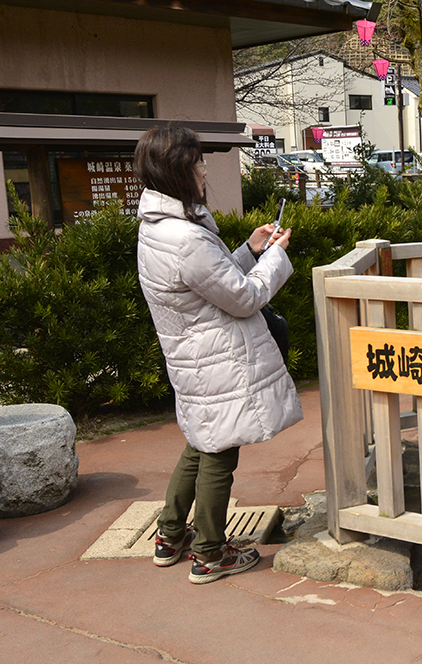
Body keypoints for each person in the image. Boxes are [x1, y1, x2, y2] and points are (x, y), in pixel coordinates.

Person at [134, 126, 302, 585]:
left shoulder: (159, 228)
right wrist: (274, 257)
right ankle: (210, 553)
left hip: (194, 358)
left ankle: (170, 535)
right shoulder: (186, 238)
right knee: (219, 453)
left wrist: (249, 250)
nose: (204, 169)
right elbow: (244, 299)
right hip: (217, 360)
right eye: (198, 162)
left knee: (199, 442)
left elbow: (211, 284)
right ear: (179, 171)